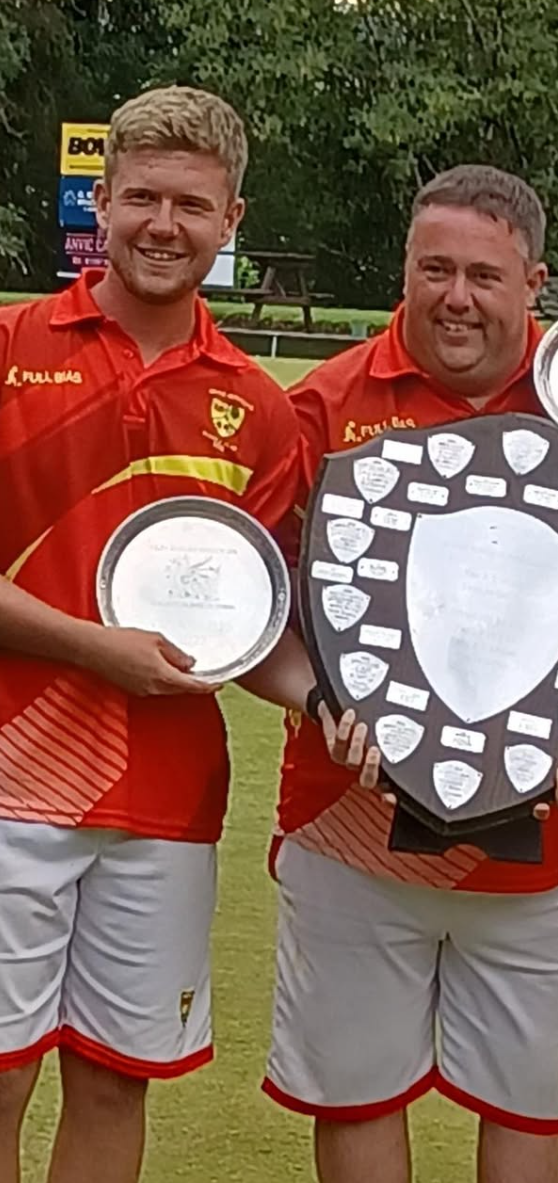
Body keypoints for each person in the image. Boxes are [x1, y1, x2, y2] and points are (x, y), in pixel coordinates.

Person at [255, 164, 558, 1183]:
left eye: (484, 276)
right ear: (404, 270)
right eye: (434, 269)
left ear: (533, 281)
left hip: (534, 834)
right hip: (345, 820)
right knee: (358, 1099)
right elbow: (258, 603)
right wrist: (319, 702)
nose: (455, 297)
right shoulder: (322, 403)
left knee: (525, 1108)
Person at [0, 86, 302, 1183]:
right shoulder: (9, 346)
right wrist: (95, 647)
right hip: (10, 783)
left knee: (113, 1080)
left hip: (166, 803)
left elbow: (261, 626)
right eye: (141, 198)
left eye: (191, 204)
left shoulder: (258, 407)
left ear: (231, 219)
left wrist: (350, 711)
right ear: (102, 200)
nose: (162, 225)